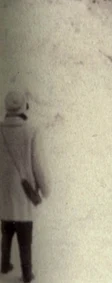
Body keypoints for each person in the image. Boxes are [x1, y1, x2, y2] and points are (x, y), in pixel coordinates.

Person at [0, 90, 50, 283]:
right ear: (24, 107)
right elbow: (38, 165)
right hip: (23, 194)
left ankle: (4, 264)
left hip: (3, 194)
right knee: (24, 234)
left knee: (6, 228)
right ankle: (27, 273)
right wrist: (46, 189)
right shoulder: (32, 131)